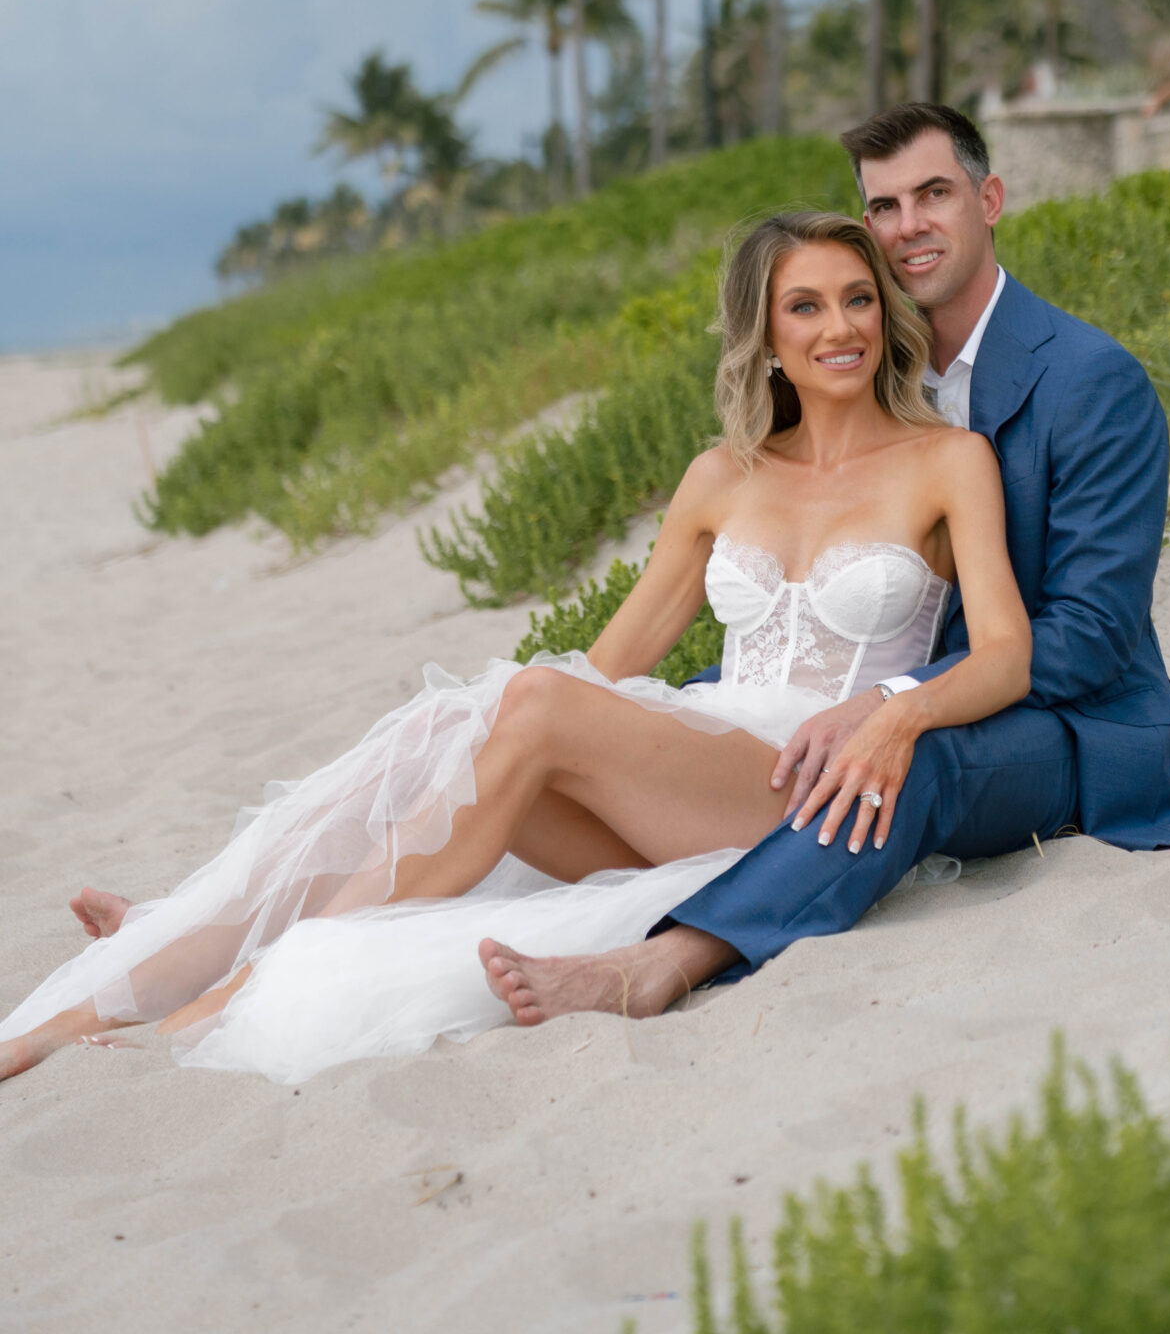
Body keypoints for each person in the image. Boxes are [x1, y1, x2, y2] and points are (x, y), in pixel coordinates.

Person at [0, 212, 1030, 1087]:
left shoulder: (946, 461)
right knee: (472, 745)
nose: (839, 326)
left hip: (805, 789)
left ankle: (222, 993)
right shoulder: (722, 475)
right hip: (696, 768)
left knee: (525, 708)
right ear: (764, 334)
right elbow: (611, 665)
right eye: (805, 306)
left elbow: (1003, 658)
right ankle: (171, 958)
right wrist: (490, 728)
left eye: (858, 299)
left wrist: (896, 710)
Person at [477, 103, 1170, 1031]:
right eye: (884, 206)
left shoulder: (1090, 380)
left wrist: (893, 702)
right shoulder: (867, 364)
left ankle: (674, 956)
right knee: (688, 720)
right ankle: (738, 861)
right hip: (902, 695)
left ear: (988, 199)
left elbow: (1089, 638)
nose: (909, 225)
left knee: (904, 755)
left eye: (934, 194)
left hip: (1065, 722)